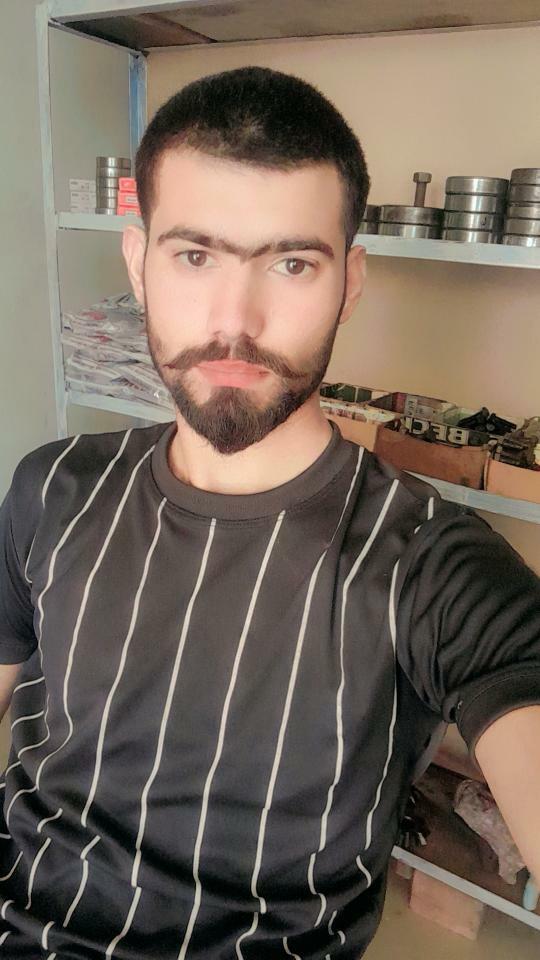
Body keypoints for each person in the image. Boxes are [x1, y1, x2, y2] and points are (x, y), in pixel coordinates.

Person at [0, 66, 539, 960]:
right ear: (138, 264)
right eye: (194, 256)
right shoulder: (51, 487)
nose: (235, 321)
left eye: (291, 263)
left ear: (350, 282)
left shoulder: (427, 563)